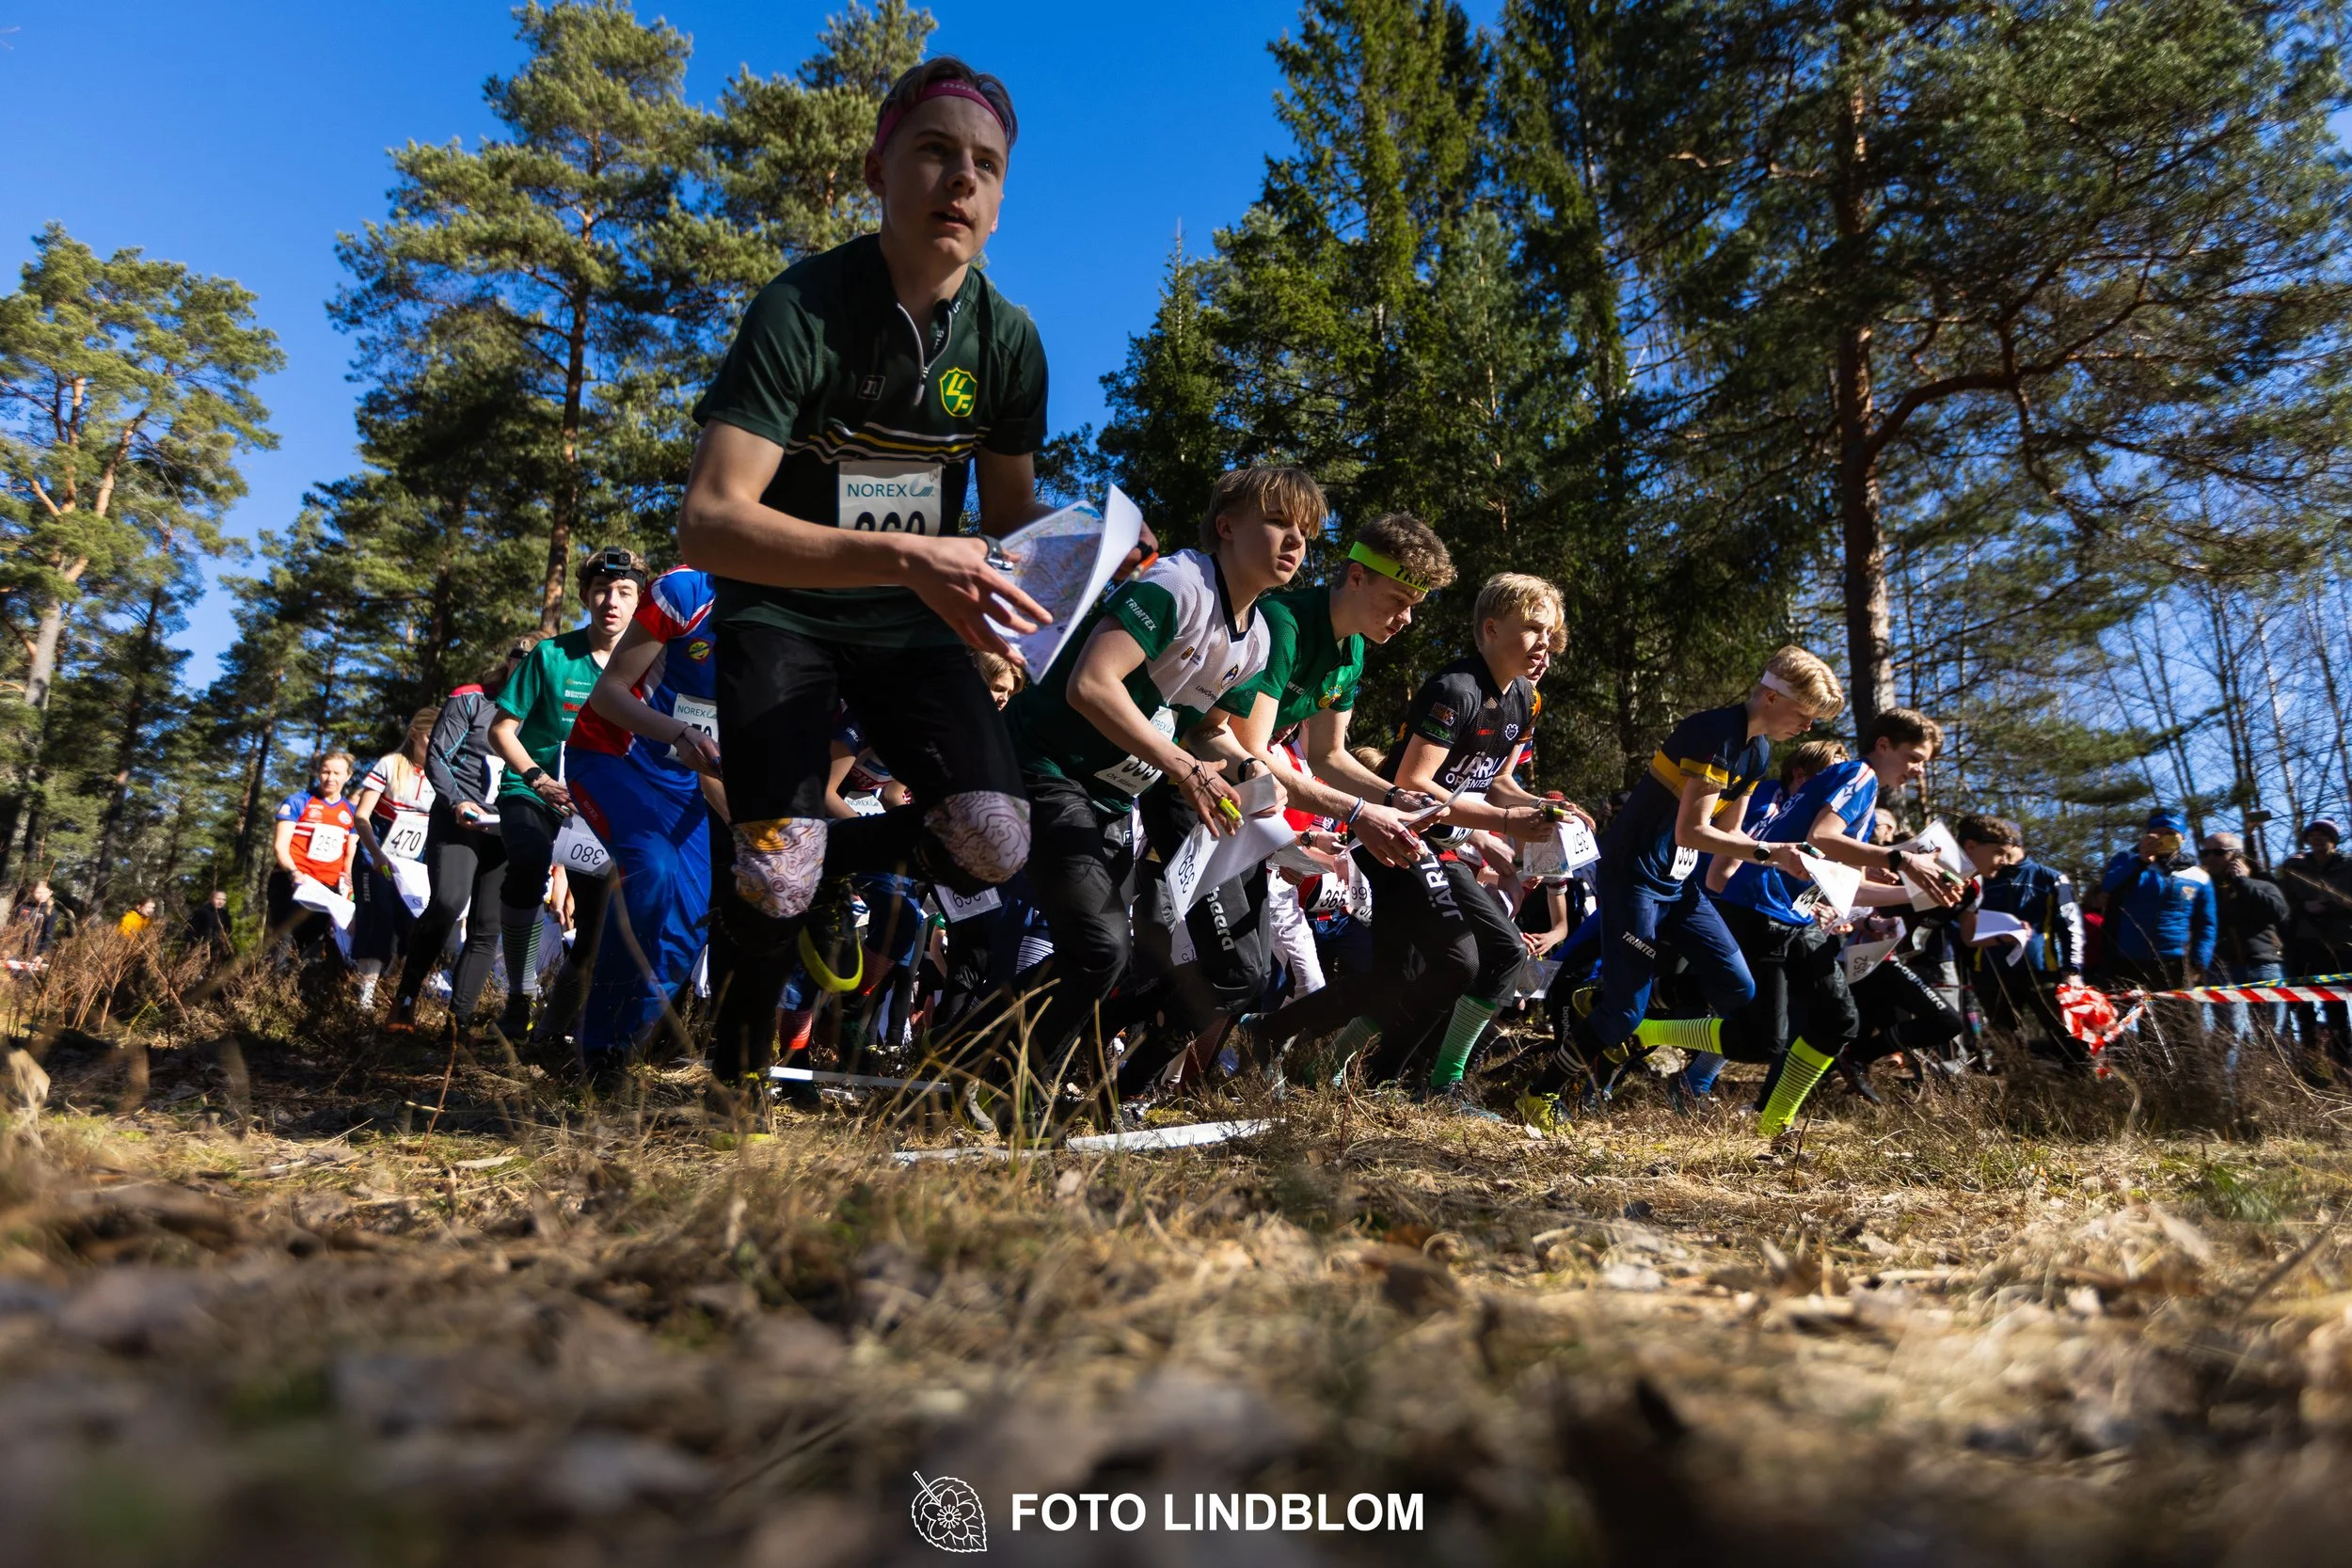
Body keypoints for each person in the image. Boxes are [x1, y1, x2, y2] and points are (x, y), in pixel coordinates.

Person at [677, 56, 1050, 1101]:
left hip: (911, 622)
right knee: (772, 869)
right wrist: (899, 551)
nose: (959, 180)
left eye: (985, 164)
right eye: (934, 152)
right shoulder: (800, 308)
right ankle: (736, 1070)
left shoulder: (1010, 342)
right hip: (783, 608)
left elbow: (1015, 524)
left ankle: (822, 874)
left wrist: (1103, 551)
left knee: (991, 839)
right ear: (878, 167)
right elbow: (708, 523)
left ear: (1001, 197)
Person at [993, 464, 1306, 1129]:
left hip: (1110, 792)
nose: (1295, 541)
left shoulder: (1257, 639)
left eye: (1306, 531)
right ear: (1226, 526)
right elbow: (1092, 685)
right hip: (1044, 762)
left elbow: (1202, 731)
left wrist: (1252, 774)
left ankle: (974, 1064)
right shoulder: (1177, 583)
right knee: (1099, 948)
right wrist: (1187, 771)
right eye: (1279, 521)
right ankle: (1005, 1087)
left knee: (1104, 957)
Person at [1243, 574, 1589, 1112]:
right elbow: (1414, 785)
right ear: (1492, 630)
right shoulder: (1456, 689)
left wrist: (1542, 809)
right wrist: (1503, 821)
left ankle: (1297, 1050)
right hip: (1403, 838)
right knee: (1479, 957)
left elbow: (1499, 780)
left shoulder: (1527, 699)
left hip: (1442, 844)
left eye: (1553, 633)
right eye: (1533, 631)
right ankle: (1422, 1083)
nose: (1546, 644)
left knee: (1394, 978)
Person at [1518, 647, 1842, 1131]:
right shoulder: (1716, 733)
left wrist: (1789, 851)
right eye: (1805, 714)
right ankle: (1539, 1095)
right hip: (1633, 878)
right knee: (1626, 1011)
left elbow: (1732, 836)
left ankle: (1617, 1002)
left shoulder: (1758, 751)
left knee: (1739, 990)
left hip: (1677, 884)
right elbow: (1693, 831)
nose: (1808, 727)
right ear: (1773, 698)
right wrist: (1772, 854)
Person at [1698, 708, 1961, 1134]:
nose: (1918, 770)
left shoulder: (1857, 784)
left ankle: (1773, 1123)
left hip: (1793, 913)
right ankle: (1642, 1028)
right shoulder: (1860, 776)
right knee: (1763, 1040)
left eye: (1924, 764)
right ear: (1883, 745)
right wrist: (1904, 859)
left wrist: (1913, 894)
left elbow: (1842, 881)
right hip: (1762, 907)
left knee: (1839, 1022)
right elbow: (1823, 837)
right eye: (1914, 757)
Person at [572, 564, 727, 1090]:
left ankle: (619, 1047)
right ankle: (598, 1053)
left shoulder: (793, 629)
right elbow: (607, 694)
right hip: (610, 758)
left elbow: (715, 765)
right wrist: (679, 731)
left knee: (686, 930)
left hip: (684, 786)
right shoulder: (686, 592)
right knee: (653, 872)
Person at [487, 547, 645, 1041]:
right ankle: (520, 993)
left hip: (596, 806)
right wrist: (536, 777)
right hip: (534, 789)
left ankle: (553, 1029)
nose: (611, 602)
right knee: (530, 863)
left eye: (624, 592)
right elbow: (502, 730)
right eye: (601, 590)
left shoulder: (650, 668)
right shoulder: (550, 655)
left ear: (640, 602)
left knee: (598, 925)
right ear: (584, 595)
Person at [389, 638, 539, 1033]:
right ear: (508, 662)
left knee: (488, 924)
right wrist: (456, 801)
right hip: (458, 820)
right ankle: (404, 1002)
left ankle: (458, 1022)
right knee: (448, 901)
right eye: (519, 660)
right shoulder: (470, 699)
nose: (524, 668)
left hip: (505, 826)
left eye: (534, 663)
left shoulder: (544, 713)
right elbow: (438, 755)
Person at [1956, 814, 2084, 1062]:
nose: (2003, 859)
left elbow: (2071, 925)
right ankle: (2016, 1088)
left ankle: (2082, 1083)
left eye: (2007, 849)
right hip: (1990, 971)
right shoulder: (1981, 877)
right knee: (2004, 1041)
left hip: (2041, 970)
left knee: (2064, 1033)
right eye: (1998, 851)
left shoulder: (2053, 878)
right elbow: (1962, 926)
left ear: (2017, 844)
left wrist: (2073, 968)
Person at [348, 708, 438, 1009]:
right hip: (375, 855)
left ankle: (404, 998)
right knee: (378, 919)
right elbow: (361, 816)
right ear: (415, 735)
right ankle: (365, 996)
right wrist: (376, 854)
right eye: (430, 736)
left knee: (414, 926)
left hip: (414, 864)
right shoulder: (390, 764)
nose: (436, 742)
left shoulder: (442, 773)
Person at [2099, 808, 2217, 1007]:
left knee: (2179, 1027)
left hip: (2175, 963)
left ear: (2183, 838)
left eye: (2171, 834)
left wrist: (2199, 962)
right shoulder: (2127, 860)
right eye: (2158, 833)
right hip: (2125, 960)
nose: (2164, 838)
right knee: (2121, 1024)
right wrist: (2141, 860)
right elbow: (2108, 886)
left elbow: (2207, 924)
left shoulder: (2198, 876)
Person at [270, 752, 359, 974]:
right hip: (291, 883)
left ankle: (294, 997)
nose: (330, 778)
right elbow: (280, 847)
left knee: (309, 948)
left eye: (337, 773)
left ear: (348, 776)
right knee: (283, 945)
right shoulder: (298, 802)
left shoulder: (350, 813)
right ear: (318, 773)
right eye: (326, 771)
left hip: (325, 891)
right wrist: (294, 873)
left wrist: (348, 885)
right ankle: (266, 993)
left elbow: (349, 855)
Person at [2201, 831, 2289, 1051]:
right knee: (2227, 1035)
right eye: (2205, 852)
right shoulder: (2203, 890)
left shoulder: (2262, 885)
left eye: (2218, 852)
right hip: (2220, 968)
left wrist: (2242, 883)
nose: (2210, 857)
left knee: (2271, 1033)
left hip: (2264, 966)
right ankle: (2229, 1085)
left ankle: (2275, 1083)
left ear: (2236, 856)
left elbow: (2278, 913)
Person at [2278, 818, 2352, 1055]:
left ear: (2334, 840)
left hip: (2341, 944)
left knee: (2336, 1004)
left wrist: (2328, 907)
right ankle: (2310, 1057)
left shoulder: (2348, 865)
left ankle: (2343, 1057)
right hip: (2304, 942)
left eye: (2324, 835)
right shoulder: (2295, 867)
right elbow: (2283, 901)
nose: (2318, 839)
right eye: (2313, 836)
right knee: (2302, 1003)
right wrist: (2303, 907)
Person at [181, 888, 234, 969]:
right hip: (201, 945)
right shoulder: (202, 912)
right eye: (218, 899)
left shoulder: (225, 914)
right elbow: (191, 929)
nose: (221, 902)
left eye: (223, 899)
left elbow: (228, 931)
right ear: (211, 899)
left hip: (218, 947)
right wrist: (191, 943)